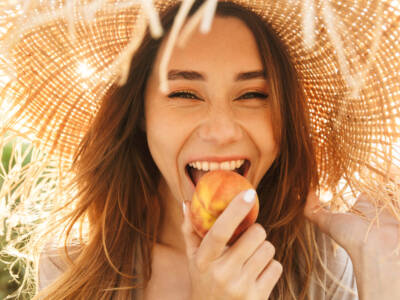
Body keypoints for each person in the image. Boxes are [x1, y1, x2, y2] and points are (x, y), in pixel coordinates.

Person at [1, 1, 399, 300]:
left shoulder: (328, 269)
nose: (222, 130)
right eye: (186, 93)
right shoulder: (70, 271)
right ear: (140, 115)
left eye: (253, 94)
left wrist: (382, 271)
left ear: (284, 120)